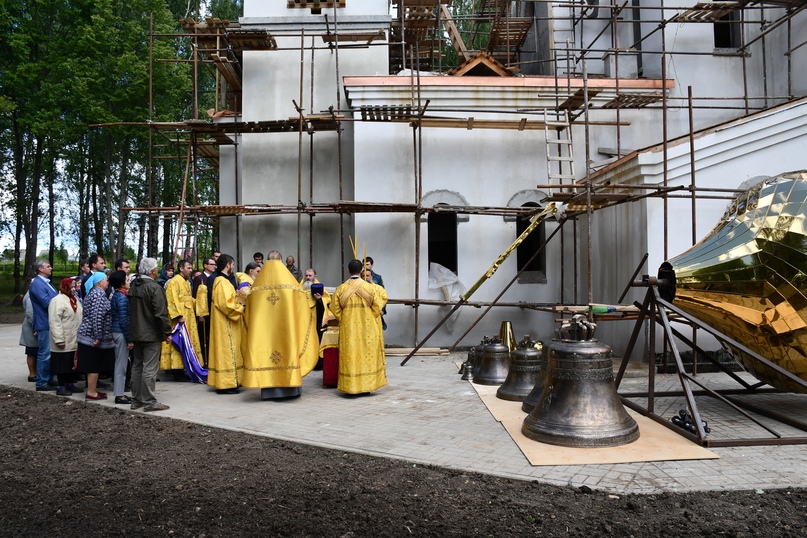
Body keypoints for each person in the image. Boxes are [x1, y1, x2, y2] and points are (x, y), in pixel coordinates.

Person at [242, 250, 319, 399]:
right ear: (281, 260)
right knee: (288, 350)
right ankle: (290, 388)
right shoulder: (290, 283)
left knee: (266, 351)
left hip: (264, 331)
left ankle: (268, 389)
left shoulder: (257, 285)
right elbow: (302, 303)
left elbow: (249, 306)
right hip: (286, 330)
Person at [330, 259, 387, 395]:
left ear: (348, 270)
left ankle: (350, 387)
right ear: (362, 271)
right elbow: (378, 306)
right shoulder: (370, 288)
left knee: (350, 355)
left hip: (348, 330)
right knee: (366, 355)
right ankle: (366, 386)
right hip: (367, 328)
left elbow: (335, 308)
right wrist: (369, 315)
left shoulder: (341, 288)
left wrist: (345, 319)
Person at [128, 258, 172, 412]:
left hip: (136, 331)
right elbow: (160, 313)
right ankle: (149, 402)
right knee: (150, 368)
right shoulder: (154, 287)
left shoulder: (134, 286)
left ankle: (136, 400)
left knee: (137, 366)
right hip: (151, 333)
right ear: (153, 271)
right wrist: (167, 331)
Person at [207, 254, 245, 394]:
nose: (233, 267)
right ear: (228, 265)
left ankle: (232, 382)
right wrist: (241, 305)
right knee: (227, 352)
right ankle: (226, 384)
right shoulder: (222, 282)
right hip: (225, 325)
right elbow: (226, 305)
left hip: (228, 323)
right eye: (233, 264)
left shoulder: (223, 281)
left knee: (231, 351)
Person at [160, 259, 203, 382]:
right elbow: (171, 299)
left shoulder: (186, 282)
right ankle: (176, 371)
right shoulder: (174, 282)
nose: (190, 270)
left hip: (188, 315)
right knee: (178, 341)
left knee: (187, 341)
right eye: (188, 268)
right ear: (181, 269)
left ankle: (185, 367)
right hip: (180, 318)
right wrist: (178, 316)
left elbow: (189, 299)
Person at [76, 272, 115, 400]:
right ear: (99, 282)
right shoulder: (98, 295)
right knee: (93, 364)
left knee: (94, 364)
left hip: (89, 335)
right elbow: (97, 317)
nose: (107, 282)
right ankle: (91, 392)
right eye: (105, 280)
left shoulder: (94, 294)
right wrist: (98, 336)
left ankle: (93, 390)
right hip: (91, 337)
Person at [48, 277, 84, 396]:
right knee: (62, 364)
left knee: (71, 363)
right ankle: (61, 386)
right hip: (64, 338)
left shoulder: (74, 300)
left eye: (74, 287)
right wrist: (59, 339)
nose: (74, 289)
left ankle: (70, 384)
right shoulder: (57, 301)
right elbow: (55, 321)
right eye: (71, 287)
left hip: (74, 338)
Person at [29, 260, 58, 391]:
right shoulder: (37, 284)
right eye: (48, 266)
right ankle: (41, 382)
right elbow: (47, 302)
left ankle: (49, 378)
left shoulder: (47, 283)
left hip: (51, 322)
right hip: (44, 322)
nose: (50, 268)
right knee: (44, 353)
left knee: (50, 353)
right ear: (40, 269)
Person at [109, 271, 133, 404]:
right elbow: (124, 320)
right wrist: (129, 339)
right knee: (121, 365)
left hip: (117, 331)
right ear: (121, 283)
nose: (129, 282)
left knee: (120, 363)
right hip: (120, 333)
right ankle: (119, 395)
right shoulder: (122, 298)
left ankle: (120, 393)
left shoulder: (118, 295)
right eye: (127, 280)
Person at [192, 257, 216, 366]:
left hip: (213, 311)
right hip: (203, 312)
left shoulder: (216, 277)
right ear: (205, 266)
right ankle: (204, 362)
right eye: (211, 264)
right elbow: (197, 296)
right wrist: (200, 314)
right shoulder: (200, 278)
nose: (214, 266)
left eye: (215, 264)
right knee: (204, 337)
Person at [301, 267, 330, 346]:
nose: (308, 278)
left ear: (315, 277)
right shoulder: (300, 287)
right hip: (303, 318)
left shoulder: (320, 288)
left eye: (310, 276)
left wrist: (319, 300)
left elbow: (327, 300)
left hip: (316, 318)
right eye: (306, 275)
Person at [19, 290, 38, 382]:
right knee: (31, 351)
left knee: (34, 351)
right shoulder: (31, 296)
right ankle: (32, 374)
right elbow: (30, 313)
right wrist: (35, 327)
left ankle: (36, 372)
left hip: (34, 326)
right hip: (31, 328)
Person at [365, 256, 387, 330]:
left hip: (376, 307)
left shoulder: (377, 278)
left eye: (367, 264)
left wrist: (383, 310)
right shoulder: (360, 277)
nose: (366, 266)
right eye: (364, 264)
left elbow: (383, 295)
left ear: (372, 265)